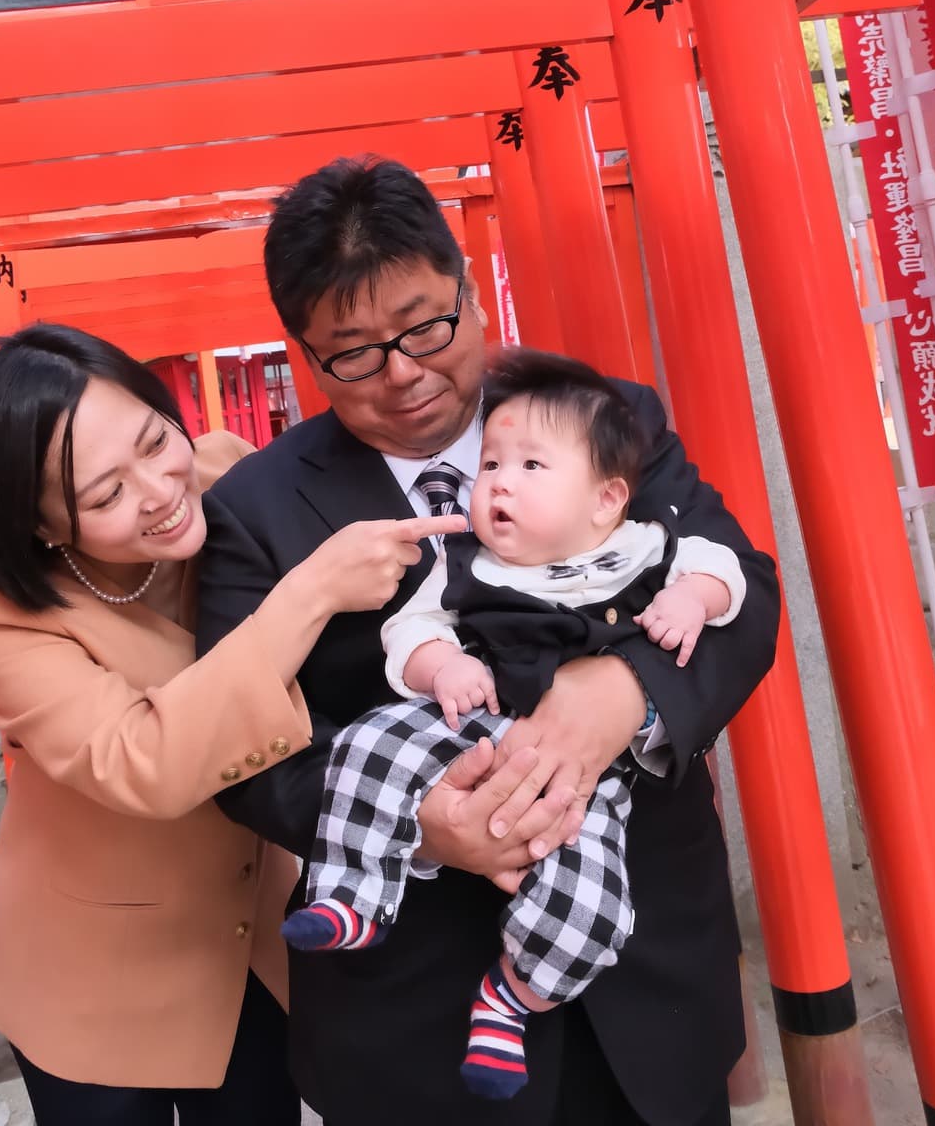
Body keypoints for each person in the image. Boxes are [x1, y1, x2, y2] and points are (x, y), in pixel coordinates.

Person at [195, 158, 781, 1126]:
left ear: (466, 284)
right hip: (413, 1014)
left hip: (648, 970)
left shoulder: (608, 418)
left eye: (427, 325)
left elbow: (742, 589)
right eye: (355, 352)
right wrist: (418, 821)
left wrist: (623, 696)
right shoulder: (253, 512)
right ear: (304, 351)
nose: (406, 372)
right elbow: (244, 753)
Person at [0, 323, 457, 1126]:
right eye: (104, 494)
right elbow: (141, 760)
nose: (158, 490)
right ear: (42, 526)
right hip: (98, 979)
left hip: (256, 947)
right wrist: (310, 593)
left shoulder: (228, 477)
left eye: (155, 438)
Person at [281, 349, 746, 1103]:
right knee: (367, 749)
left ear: (605, 500)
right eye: (492, 462)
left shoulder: (639, 542)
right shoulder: (463, 560)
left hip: (594, 791)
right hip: (470, 735)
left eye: (531, 467)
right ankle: (355, 893)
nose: (498, 478)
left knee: (591, 901)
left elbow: (728, 570)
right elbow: (414, 631)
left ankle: (511, 998)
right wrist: (442, 669)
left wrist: (689, 603)